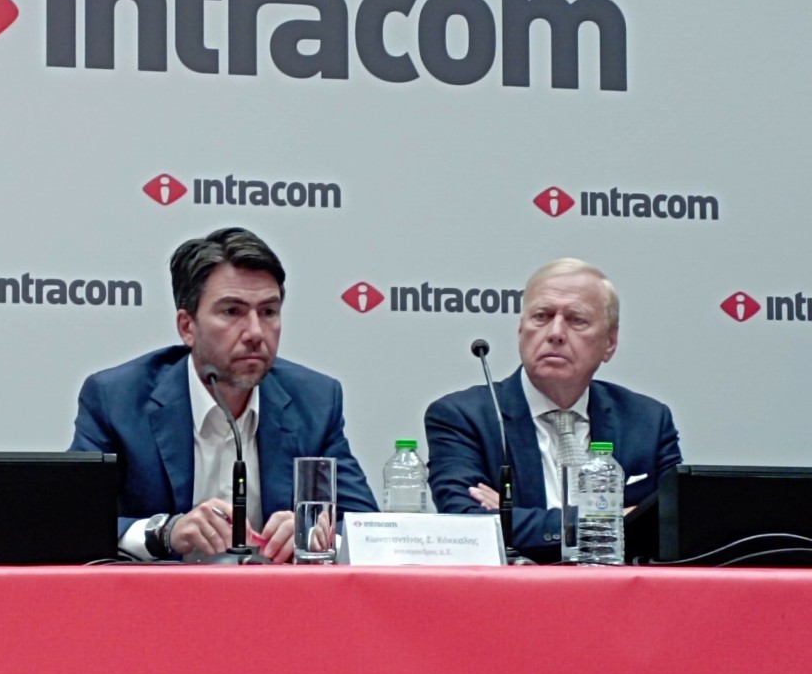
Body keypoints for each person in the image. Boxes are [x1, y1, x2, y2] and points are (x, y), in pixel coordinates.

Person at [69, 227, 377, 563]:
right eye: (232, 312)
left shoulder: (315, 401)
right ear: (187, 327)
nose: (255, 332)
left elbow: (366, 529)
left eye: (268, 312)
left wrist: (317, 534)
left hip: (277, 593)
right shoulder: (117, 399)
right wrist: (164, 532)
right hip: (159, 593)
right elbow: (73, 521)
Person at [424, 258, 681, 562]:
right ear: (521, 330)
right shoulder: (463, 416)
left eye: (576, 320)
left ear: (610, 342)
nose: (555, 332)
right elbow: (467, 527)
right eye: (541, 317)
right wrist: (612, 520)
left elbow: (675, 525)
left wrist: (513, 519)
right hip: (513, 588)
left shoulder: (647, 420)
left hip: (620, 588)